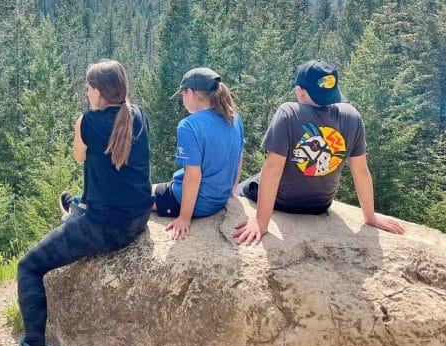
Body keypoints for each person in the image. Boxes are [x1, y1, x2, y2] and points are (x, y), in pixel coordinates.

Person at [2, 60, 152, 346]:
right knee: (75, 201)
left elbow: (79, 155)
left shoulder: (87, 122)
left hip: (104, 227)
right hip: (136, 218)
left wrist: (82, 123)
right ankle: (75, 208)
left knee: (28, 266)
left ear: (98, 92)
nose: (86, 93)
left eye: (88, 88)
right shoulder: (138, 115)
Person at [233, 60, 405, 245]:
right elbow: (361, 171)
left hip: (282, 202)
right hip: (320, 205)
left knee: (240, 189)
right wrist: (370, 218)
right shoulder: (352, 116)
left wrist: (260, 222)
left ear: (300, 91)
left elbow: (273, 168)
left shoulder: (289, 113)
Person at [152, 67, 244, 240]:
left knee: (138, 196)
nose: (182, 100)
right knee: (156, 187)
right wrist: (232, 189)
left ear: (190, 92)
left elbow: (193, 175)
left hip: (198, 204)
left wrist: (185, 217)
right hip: (220, 198)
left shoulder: (189, 126)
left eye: (182, 96)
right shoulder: (234, 118)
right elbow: (239, 157)